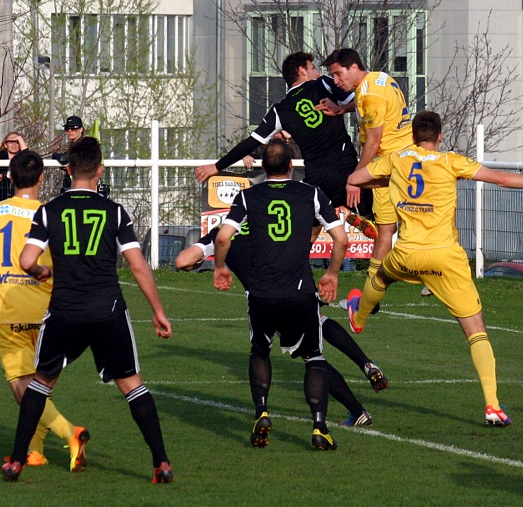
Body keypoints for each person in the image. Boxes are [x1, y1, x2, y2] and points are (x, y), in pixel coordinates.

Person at [344, 111, 523, 426]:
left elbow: (355, 179)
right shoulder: (450, 161)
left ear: (413, 137)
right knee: (476, 329)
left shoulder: (396, 158)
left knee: (381, 275)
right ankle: (492, 406)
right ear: (440, 136)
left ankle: (360, 317)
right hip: (444, 257)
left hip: (407, 252)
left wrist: (392, 179)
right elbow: (502, 179)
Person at [5, 137, 174, 484]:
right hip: (107, 310)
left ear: (68, 170)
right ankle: (161, 463)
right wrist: (157, 310)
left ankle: (17, 461)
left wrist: (39, 270)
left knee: (41, 383)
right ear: (100, 170)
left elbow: (25, 260)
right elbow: (138, 265)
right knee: (132, 385)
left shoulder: (49, 210)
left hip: (65, 310)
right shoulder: (115, 211)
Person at [0, 150, 89, 471]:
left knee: (22, 388)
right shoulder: (53, 213)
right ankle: (34, 452)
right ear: (41, 178)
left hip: (8, 311)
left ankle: (70, 433)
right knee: (40, 385)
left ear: (10, 177)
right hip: (48, 312)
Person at [213, 139, 350, 450]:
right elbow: (341, 239)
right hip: (299, 290)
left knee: (260, 351)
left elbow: (223, 237)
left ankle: (261, 411)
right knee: (314, 357)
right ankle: (319, 427)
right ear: (290, 166)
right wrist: (331, 274)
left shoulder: (248, 196)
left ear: (263, 166)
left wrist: (220, 267)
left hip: (261, 291)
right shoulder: (311, 193)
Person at [176, 223, 385, 428]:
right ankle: (366, 364)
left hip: (266, 297)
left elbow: (182, 261)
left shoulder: (220, 233)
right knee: (319, 321)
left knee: (310, 358)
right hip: (299, 287)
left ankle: (355, 412)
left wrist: (197, 264)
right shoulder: (268, 220)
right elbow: (312, 233)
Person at [195, 52, 366, 220]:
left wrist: (217, 166)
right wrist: (342, 109)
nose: (317, 73)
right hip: (345, 170)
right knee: (374, 222)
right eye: (313, 68)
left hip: (317, 177)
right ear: (302, 70)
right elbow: (361, 101)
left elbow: (250, 143)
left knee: (311, 230)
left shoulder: (279, 110)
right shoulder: (323, 83)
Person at [323, 48, 414, 290]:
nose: (336, 81)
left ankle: (371, 289)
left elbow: (373, 141)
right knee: (411, 223)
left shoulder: (370, 96)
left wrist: (356, 178)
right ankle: (434, 274)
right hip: (407, 158)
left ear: (354, 68)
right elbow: (369, 103)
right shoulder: (378, 78)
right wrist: (343, 108)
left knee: (385, 230)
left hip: (388, 163)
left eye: (338, 74)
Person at [0, 132, 27, 202]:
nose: (14, 144)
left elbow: (28, 156)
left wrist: (20, 138)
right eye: (11, 142)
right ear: (5, 145)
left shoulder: (23, 160)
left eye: (17, 142)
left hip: (17, 199)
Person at [52, 116, 85, 192]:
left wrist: (55, 155)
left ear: (81, 129)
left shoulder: (82, 145)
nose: (70, 131)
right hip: (73, 184)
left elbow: (63, 159)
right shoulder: (74, 145)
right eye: (67, 128)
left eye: (73, 128)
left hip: (79, 185)